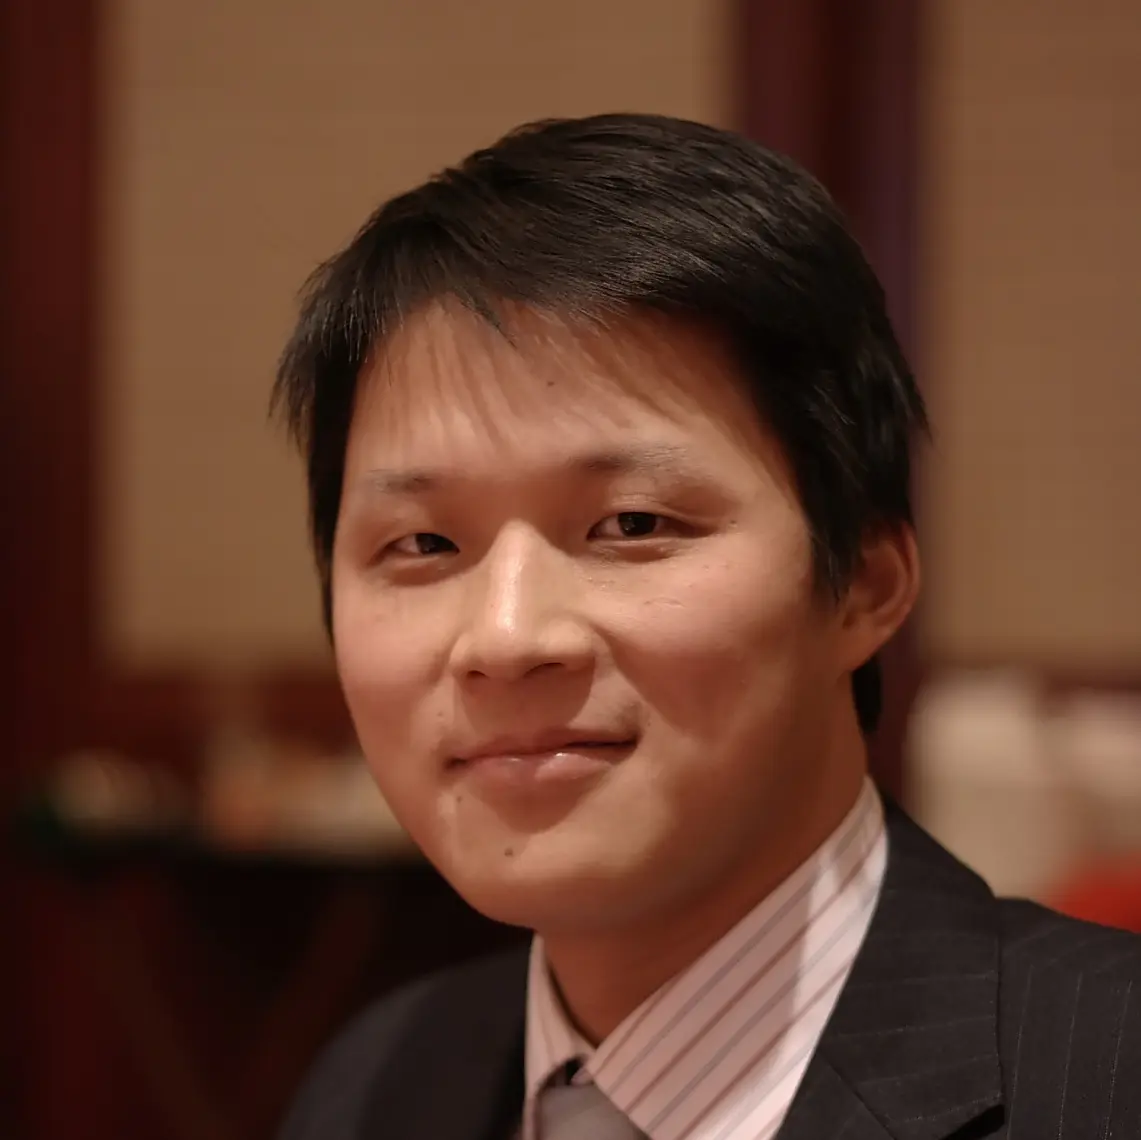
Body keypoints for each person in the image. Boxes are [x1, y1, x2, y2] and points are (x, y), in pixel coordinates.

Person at [272, 114, 1141, 1140]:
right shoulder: (376, 1084)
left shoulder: (1105, 1077)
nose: (504, 638)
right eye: (421, 547)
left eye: (631, 524)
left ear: (863, 582)